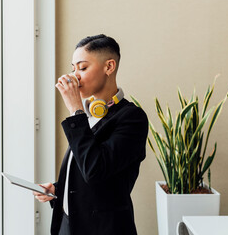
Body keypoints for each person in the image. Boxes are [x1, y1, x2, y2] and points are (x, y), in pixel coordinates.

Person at [33, 34, 148, 235]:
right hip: (69, 225)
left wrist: (76, 111)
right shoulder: (87, 114)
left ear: (109, 67)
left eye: (83, 68)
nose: (75, 75)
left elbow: (95, 169)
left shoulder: (132, 118)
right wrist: (59, 189)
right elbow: (84, 165)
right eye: (73, 68)